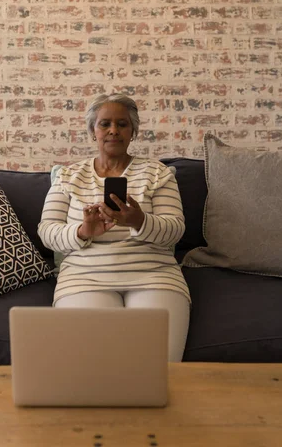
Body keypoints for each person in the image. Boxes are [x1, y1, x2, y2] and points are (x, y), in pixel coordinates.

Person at [37, 93, 190, 361]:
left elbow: (175, 229)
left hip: (153, 275)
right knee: (94, 364)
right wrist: (83, 231)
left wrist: (139, 221)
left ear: (133, 132)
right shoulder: (69, 176)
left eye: (122, 124)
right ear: (92, 131)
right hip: (84, 278)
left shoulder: (157, 173)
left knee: (157, 366)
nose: (113, 131)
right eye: (104, 124)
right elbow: (47, 231)